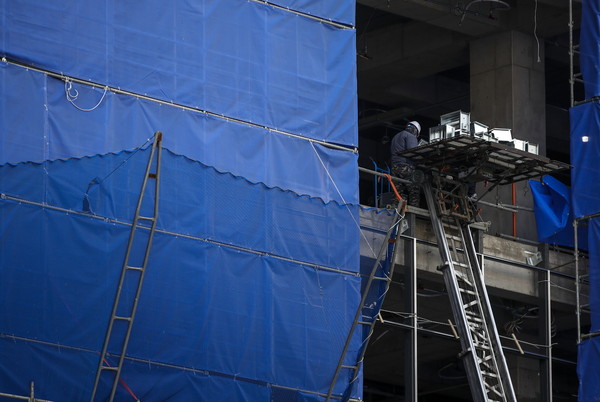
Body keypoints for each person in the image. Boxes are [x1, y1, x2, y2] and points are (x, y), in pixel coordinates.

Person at [390, 121, 421, 207]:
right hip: (405, 166)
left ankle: (395, 209)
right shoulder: (410, 136)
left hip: (394, 167)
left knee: (397, 191)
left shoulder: (396, 136)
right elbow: (413, 151)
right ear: (415, 131)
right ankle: (414, 211)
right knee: (414, 189)